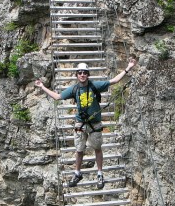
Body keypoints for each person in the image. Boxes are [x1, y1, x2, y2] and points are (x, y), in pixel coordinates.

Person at [35, 57, 137, 189]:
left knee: (97, 148)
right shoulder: (74, 89)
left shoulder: (95, 86)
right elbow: (57, 97)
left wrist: (128, 68)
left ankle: (100, 173)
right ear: (77, 75)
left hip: (95, 123)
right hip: (81, 123)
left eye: (84, 72)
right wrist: (42, 86)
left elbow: (115, 80)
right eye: (80, 72)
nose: (82, 74)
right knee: (79, 150)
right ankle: (77, 173)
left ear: (88, 74)